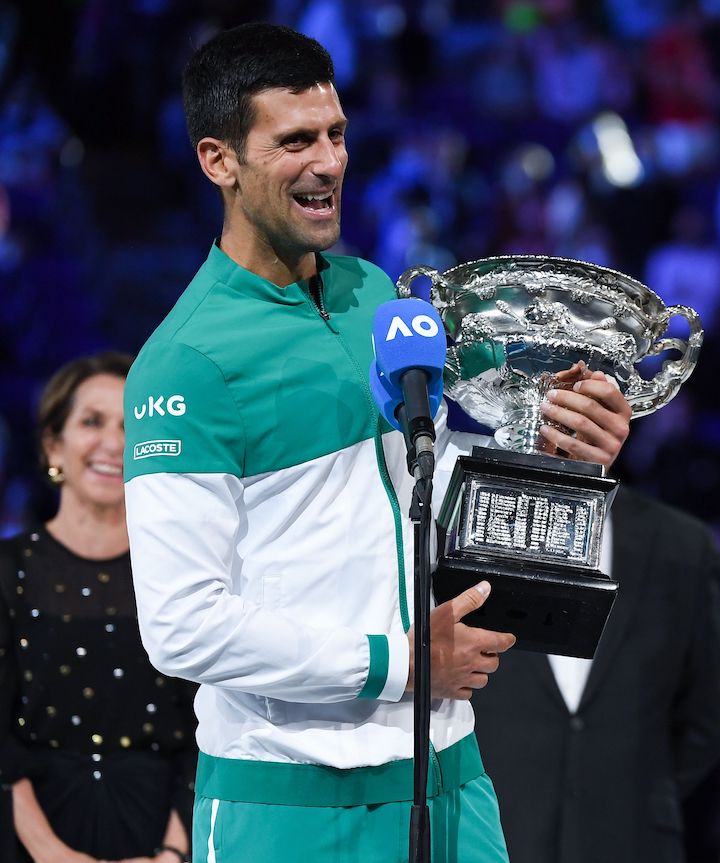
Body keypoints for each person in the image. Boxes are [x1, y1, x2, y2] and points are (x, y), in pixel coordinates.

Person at [120, 23, 631, 862]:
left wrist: (560, 452)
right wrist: (402, 663)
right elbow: (181, 626)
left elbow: (419, 488)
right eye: (294, 142)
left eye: (336, 133)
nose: (328, 163)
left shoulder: (374, 297)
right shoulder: (185, 364)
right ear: (219, 161)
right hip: (288, 804)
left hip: (448, 774)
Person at [468, 482, 720, 863]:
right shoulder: (470, 521)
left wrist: (632, 789)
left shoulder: (684, 546)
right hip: (494, 838)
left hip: (632, 838)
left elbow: (706, 722)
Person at [2, 352, 194, 863]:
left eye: (131, 425)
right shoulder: (7, 570)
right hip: (28, 835)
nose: (114, 443)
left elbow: (206, 725)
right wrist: (51, 854)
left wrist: (174, 853)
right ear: (52, 445)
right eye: (92, 422)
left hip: (164, 833)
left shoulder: (185, 572)